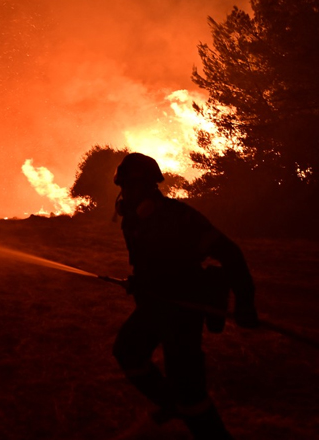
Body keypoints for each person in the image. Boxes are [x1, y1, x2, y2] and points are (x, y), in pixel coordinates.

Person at [111, 153, 259, 440]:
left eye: (130, 187)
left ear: (148, 188)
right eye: (123, 188)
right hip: (156, 305)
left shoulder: (178, 217)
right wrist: (139, 282)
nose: (125, 195)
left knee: (190, 390)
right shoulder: (133, 222)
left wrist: (245, 303)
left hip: (183, 310)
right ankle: (172, 404)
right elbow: (154, 264)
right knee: (128, 351)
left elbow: (230, 253)